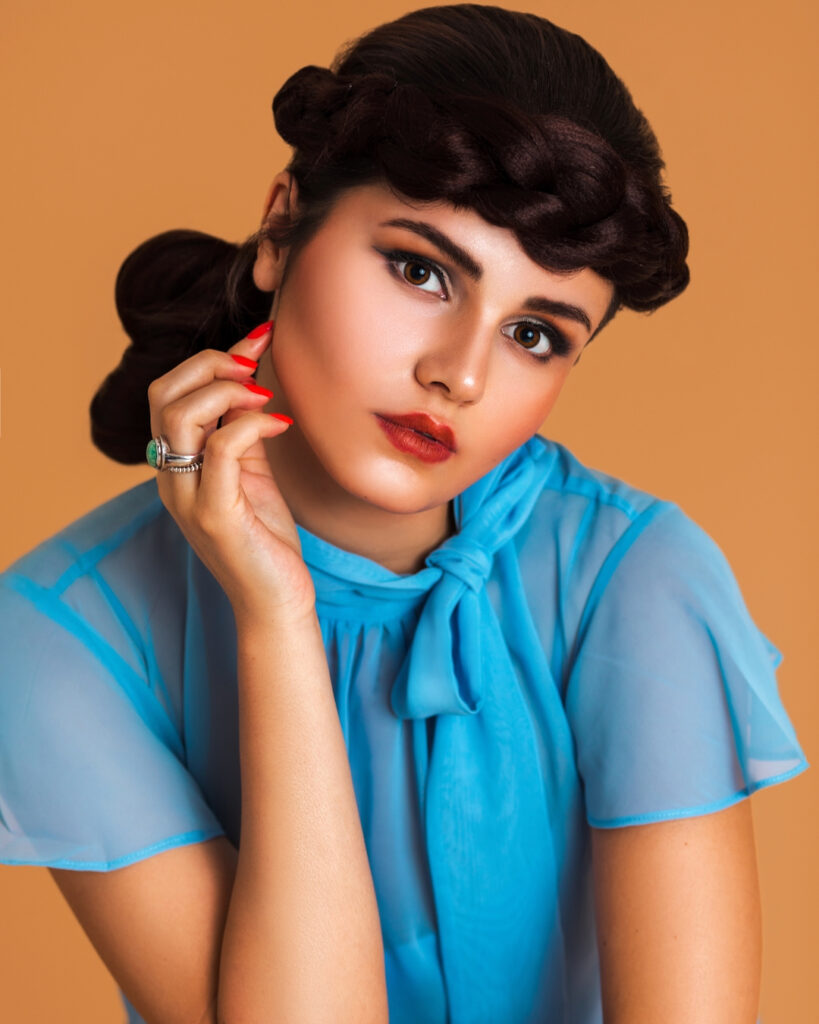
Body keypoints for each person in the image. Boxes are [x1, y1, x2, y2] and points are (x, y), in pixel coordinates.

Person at [0, 4, 809, 1023]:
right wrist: (277, 619)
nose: (459, 373)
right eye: (422, 270)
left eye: (534, 333)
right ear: (284, 223)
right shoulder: (57, 635)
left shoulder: (633, 582)